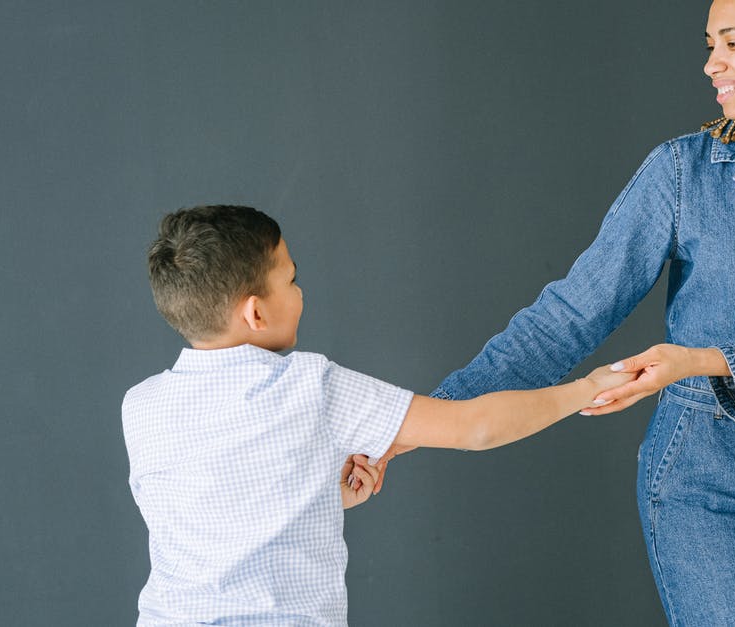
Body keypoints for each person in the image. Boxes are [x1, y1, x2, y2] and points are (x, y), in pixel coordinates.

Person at [427, 0, 735, 623]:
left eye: (733, 42)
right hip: (702, 480)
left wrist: (700, 360)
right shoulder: (683, 171)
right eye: (710, 43)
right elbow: (569, 317)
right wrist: (419, 420)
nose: (711, 63)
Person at [121, 205, 632, 625]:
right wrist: (583, 390)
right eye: (291, 280)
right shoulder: (308, 384)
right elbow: (474, 426)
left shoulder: (140, 406)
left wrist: (318, 495)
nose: (300, 293)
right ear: (256, 313)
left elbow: (210, 512)